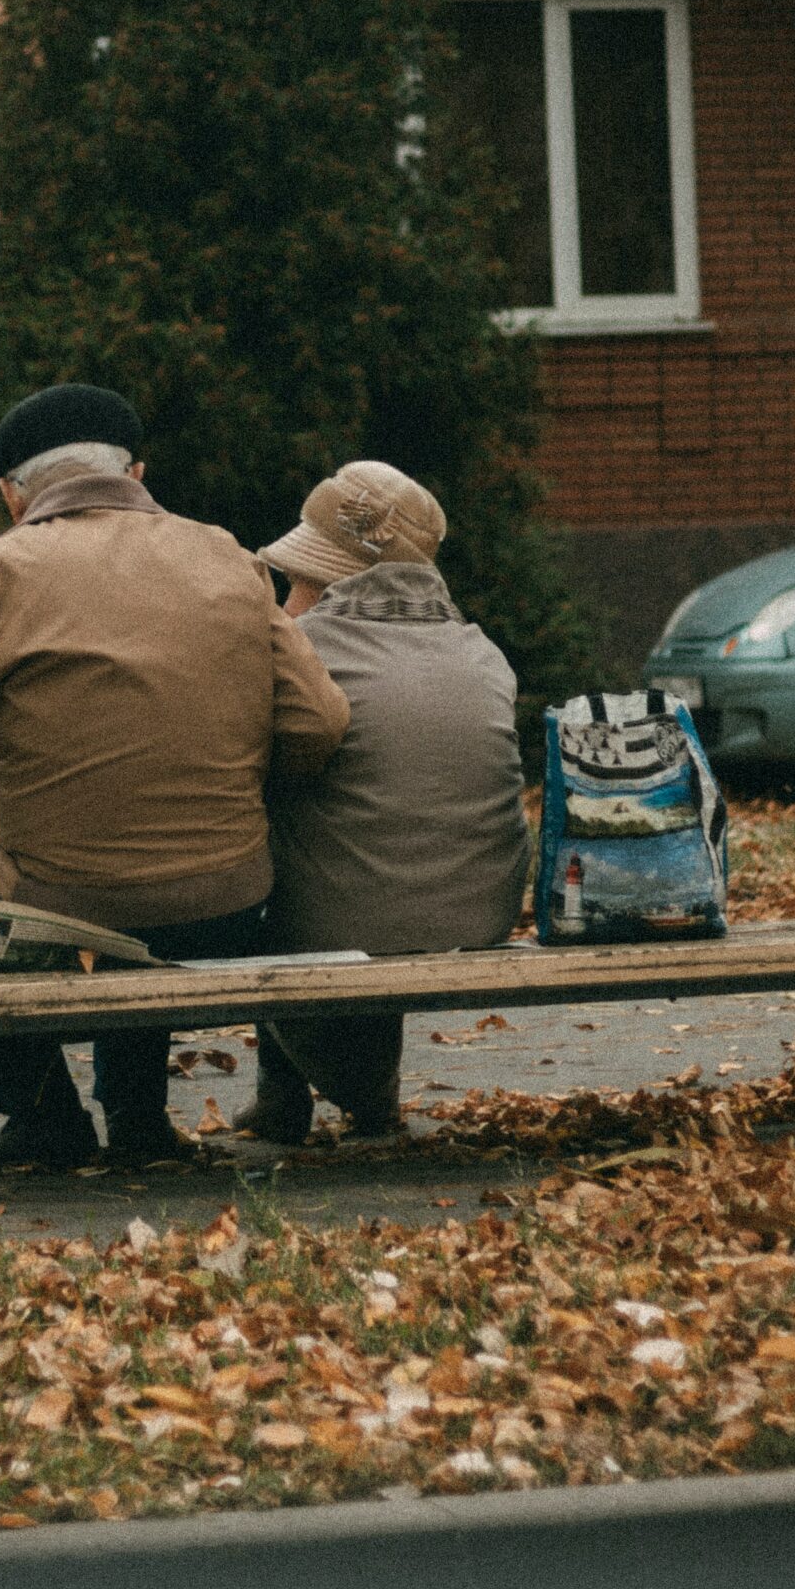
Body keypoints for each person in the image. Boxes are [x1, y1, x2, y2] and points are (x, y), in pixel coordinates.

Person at [0, 383, 349, 1168]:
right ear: (135, 470)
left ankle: (40, 1114)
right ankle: (135, 1118)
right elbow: (318, 723)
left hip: (62, 916)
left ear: (10, 493)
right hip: (229, 905)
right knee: (146, 876)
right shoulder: (226, 557)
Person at [237, 459, 529, 1144]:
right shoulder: (480, 651)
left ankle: (295, 1091)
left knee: (258, 851)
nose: (287, 604)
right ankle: (338, 1094)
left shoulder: (302, 653)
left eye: (302, 582)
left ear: (337, 582)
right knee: (368, 825)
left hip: (348, 921)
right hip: (482, 908)